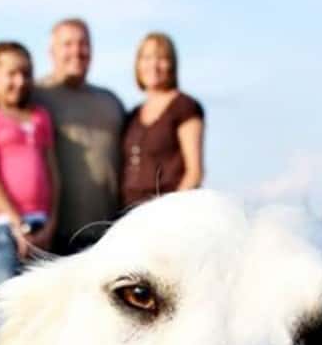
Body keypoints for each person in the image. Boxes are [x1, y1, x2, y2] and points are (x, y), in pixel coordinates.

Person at [0, 41, 59, 345]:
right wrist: (14, 220)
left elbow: (52, 170)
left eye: (25, 73)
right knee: (1, 307)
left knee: (35, 310)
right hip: (1, 227)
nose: (18, 81)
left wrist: (52, 220)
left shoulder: (39, 116)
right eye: (10, 73)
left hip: (38, 224)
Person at [33, 18, 124, 253]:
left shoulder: (110, 102)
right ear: (51, 52)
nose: (77, 51)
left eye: (83, 44)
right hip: (50, 235)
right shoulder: (35, 97)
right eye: (68, 44)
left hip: (105, 234)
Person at [120, 32, 204, 210]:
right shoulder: (133, 115)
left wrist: (169, 213)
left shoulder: (184, 107)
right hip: (129, 213)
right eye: (147, 58)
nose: (153, 65)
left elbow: (194, 172)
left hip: (166, 214)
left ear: (172, 64)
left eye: (161, 58)